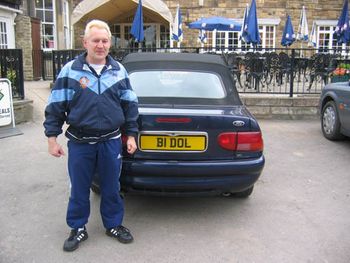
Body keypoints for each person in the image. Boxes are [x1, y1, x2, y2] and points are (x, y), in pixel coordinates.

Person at [43, 19, 139, 252]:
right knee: (79, 187)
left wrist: (132, 135)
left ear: (110, 43)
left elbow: (130, 105)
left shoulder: (119, 71)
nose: (101, 45)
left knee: (111, 187)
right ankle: (78, 228)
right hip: (80, 142)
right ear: (85, 42)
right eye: (96, 40)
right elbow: (55, 106)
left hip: (110, 141)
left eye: (105, 41)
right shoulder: (70, 71)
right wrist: (52, 138)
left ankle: (114, 224)